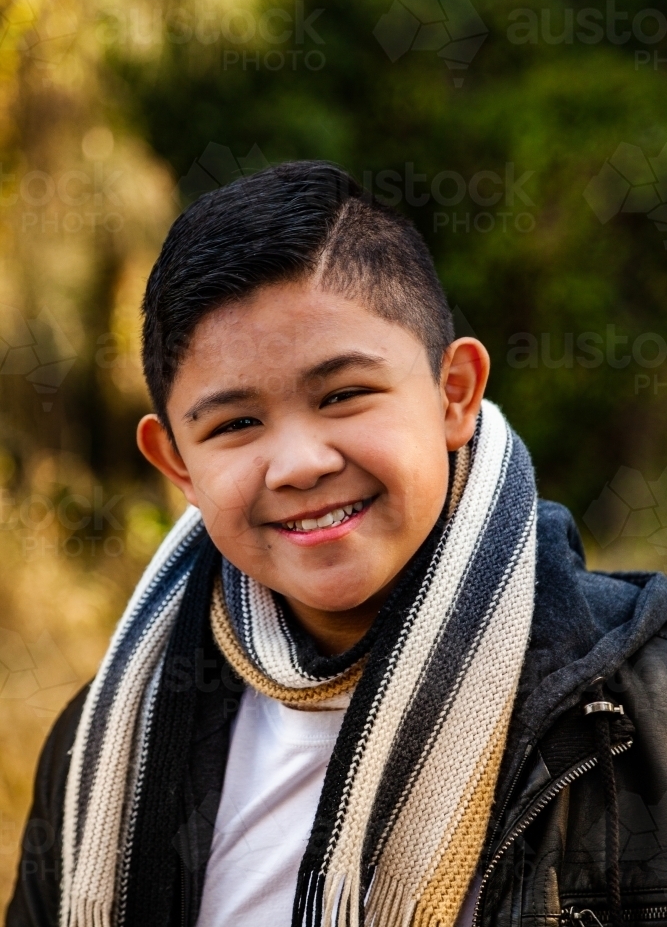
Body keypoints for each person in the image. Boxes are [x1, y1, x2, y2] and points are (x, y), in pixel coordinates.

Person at [7, 161, 667, 927]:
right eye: (235, 424)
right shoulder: (105, 749)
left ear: (453, 393)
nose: (298, 465)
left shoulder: (636, 711)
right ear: (177, 464)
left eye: (344, 394)